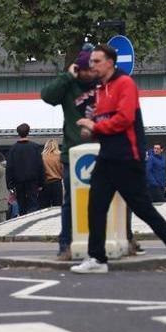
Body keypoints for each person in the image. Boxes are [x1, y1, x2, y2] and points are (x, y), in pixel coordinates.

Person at [70, 43, 166, 274]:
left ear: (109, 62)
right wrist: (91, 129)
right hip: (106, 157)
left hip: (128, 157)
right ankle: (97, 258)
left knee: (143, 208)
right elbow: (102, 120)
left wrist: (95, 126)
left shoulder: (125, 84)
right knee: (95, 206)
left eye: (96, 61)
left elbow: (124, 119)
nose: (92, 65)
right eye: (91, 61)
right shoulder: (101, 89)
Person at [40, 46, 98, 260]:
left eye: (93, 69)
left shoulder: (102, 82)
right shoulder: (69, 85)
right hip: (73, 152)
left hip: (101, 150)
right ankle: (65, 244)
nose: (91, 74)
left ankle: (117, 238)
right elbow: (46, 95)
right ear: (78, 69)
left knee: (110, 197)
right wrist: (67, 77)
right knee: (70, 202)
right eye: (86, 70)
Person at [6, 123, 43, 216]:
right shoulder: (35, 147)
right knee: (34, 204)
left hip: (18, 182)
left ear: (18, 133)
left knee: (21, 205)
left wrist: (10, 184)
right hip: (33, 181)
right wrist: (41, 183)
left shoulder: (13, 149)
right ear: (28, 132)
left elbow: (9, 167)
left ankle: (23, 223)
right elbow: (40, 166)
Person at [39, 139, 64, 209]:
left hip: (44, 185)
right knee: (57, 208)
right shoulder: (60, 156)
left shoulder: (41, 156)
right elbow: (63, 170)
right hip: (57, 184)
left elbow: (39, 171)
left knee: (44, 209)